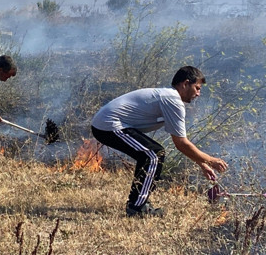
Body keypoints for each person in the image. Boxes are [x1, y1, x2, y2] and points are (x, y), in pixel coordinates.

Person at [91, 66, 228, 218]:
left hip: (108, 125)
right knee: (153, 155)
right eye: (197, 88)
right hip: (108, 125)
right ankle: (137, 207)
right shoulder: (172, 100)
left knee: (152, 154)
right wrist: (210, 160)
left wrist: (202, 163)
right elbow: (181, 143)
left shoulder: (169, 97)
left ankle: (140, 202)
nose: (198, 93)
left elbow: (182, 144)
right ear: (185, 84)